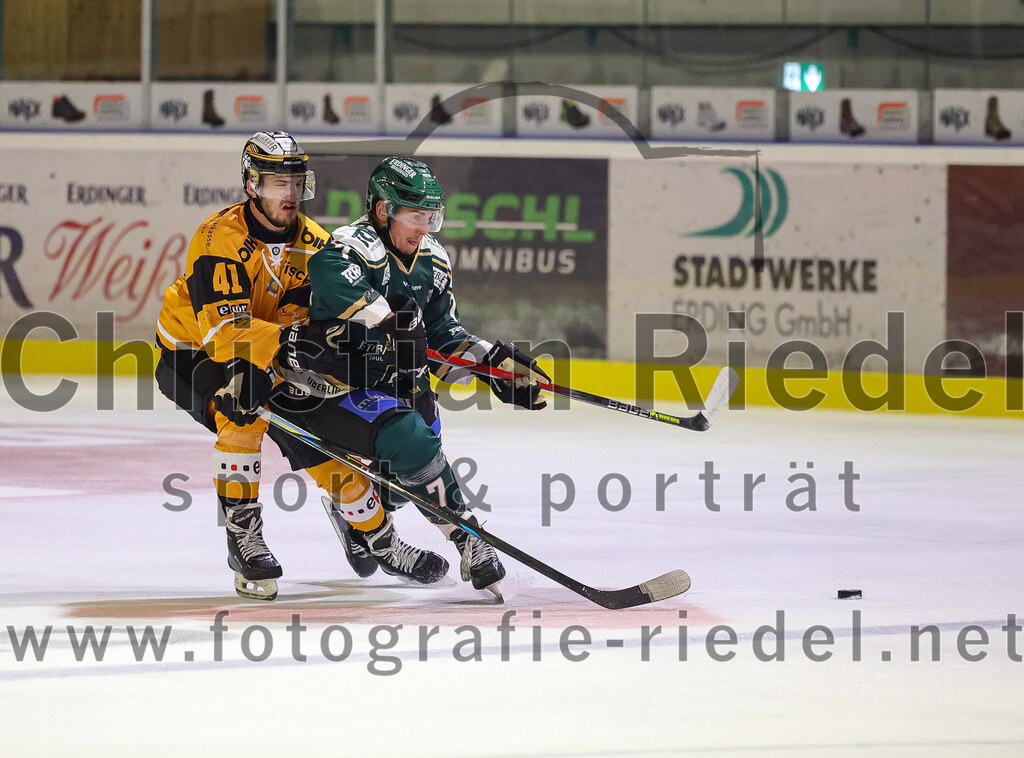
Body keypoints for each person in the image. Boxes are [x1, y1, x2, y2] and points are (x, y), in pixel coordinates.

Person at [154, 132, 446, 602]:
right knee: (241, 414)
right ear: (252, 185)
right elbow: (223, 333)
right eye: (275, 183)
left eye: (295, 182)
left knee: (323, 440)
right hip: (193, 351)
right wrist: (291, 344)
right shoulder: (218, 238)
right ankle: (243, 538)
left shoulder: (318, 245)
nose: (288, 194)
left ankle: (379, 537)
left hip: (270, 352)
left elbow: (324, 326)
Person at [276, 156, 550, 600]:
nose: (425, 227)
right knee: (413, 442)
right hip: (331, 388)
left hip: (397, 383)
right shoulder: (349, 247)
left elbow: (444, 337)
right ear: (383, 211)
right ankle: (469, 541)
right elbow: (333, 283)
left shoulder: (433, 260)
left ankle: (360, 518)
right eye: (416, 216)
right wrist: (388, 319)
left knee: (422, 450)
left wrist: (492, 365)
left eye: (431, 217)